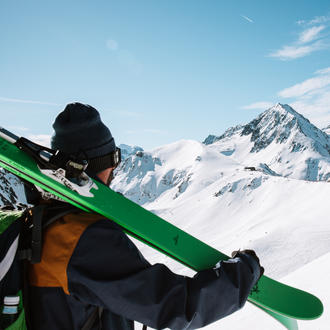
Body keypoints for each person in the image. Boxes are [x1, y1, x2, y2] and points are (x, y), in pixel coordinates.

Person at [27, 102, 264, 330]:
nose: (115, 172)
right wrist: (243, 272)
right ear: (99, 164)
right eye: (114, 161)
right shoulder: (81, 239)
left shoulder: (38, 222)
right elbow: (175, 306)